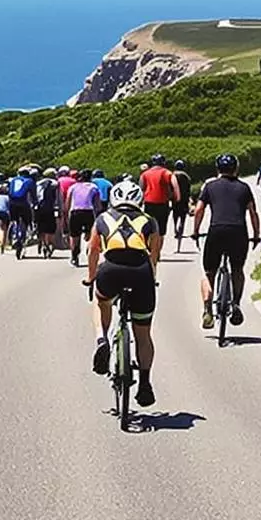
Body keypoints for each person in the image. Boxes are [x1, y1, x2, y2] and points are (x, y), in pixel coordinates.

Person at [86, 175, 162, 408]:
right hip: (141, 273)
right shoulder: (150, 221)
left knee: (101, 301)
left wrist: (90, 278)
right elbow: (154, 255)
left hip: (111, 270)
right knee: (143, 334)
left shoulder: (102, 219)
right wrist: (152, 278)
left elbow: (93, 251)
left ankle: (102, 340)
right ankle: (145, 383)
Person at [192, 153, 261, 327]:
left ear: (217, 169)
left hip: (216, 230)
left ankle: (207, 310)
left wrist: (195, 231)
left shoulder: (209, 186)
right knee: (237, 269)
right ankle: (236, 304)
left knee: (209, 273)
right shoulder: (244, 188)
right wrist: (256, 235)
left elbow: (199, 210)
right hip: (238, 232)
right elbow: (253, 213)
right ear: (236, 169)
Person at [66, 168, 101, 266]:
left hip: (75, 211)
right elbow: (97, 204)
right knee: (90, 234)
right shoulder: (94, 187)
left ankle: (74, 255)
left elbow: (68, 201)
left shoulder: (73, 187)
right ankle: (89, 249)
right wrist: (98, 214)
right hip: (88, 211)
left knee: (74, 235)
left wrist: (66, 213)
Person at [140, 154, 177, 242]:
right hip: (163, 204)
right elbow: (175, 186)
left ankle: (149, 245)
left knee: (149, 228)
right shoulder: (167, 173)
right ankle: (158, 248)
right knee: (161, 230)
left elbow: (141, 188)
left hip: (149, 203)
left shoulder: (145, 174)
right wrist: (177, 198)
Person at [32, 167, 61, 255]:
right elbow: (58, 198)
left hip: (39, 208)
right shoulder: (55, 184)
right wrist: (59, 208)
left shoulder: (38, 184)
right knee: (50, 228)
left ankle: (43, 242)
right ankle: (48, 244)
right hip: (50, 208)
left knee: (41, 227)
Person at [169, 161, 193, 252]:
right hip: (184, 199)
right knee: (183, 217)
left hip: (175, 199)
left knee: (175, 214)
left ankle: (175, 228)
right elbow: (188, 189)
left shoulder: (173, 175)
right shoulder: (186, 176)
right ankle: (181, 229)